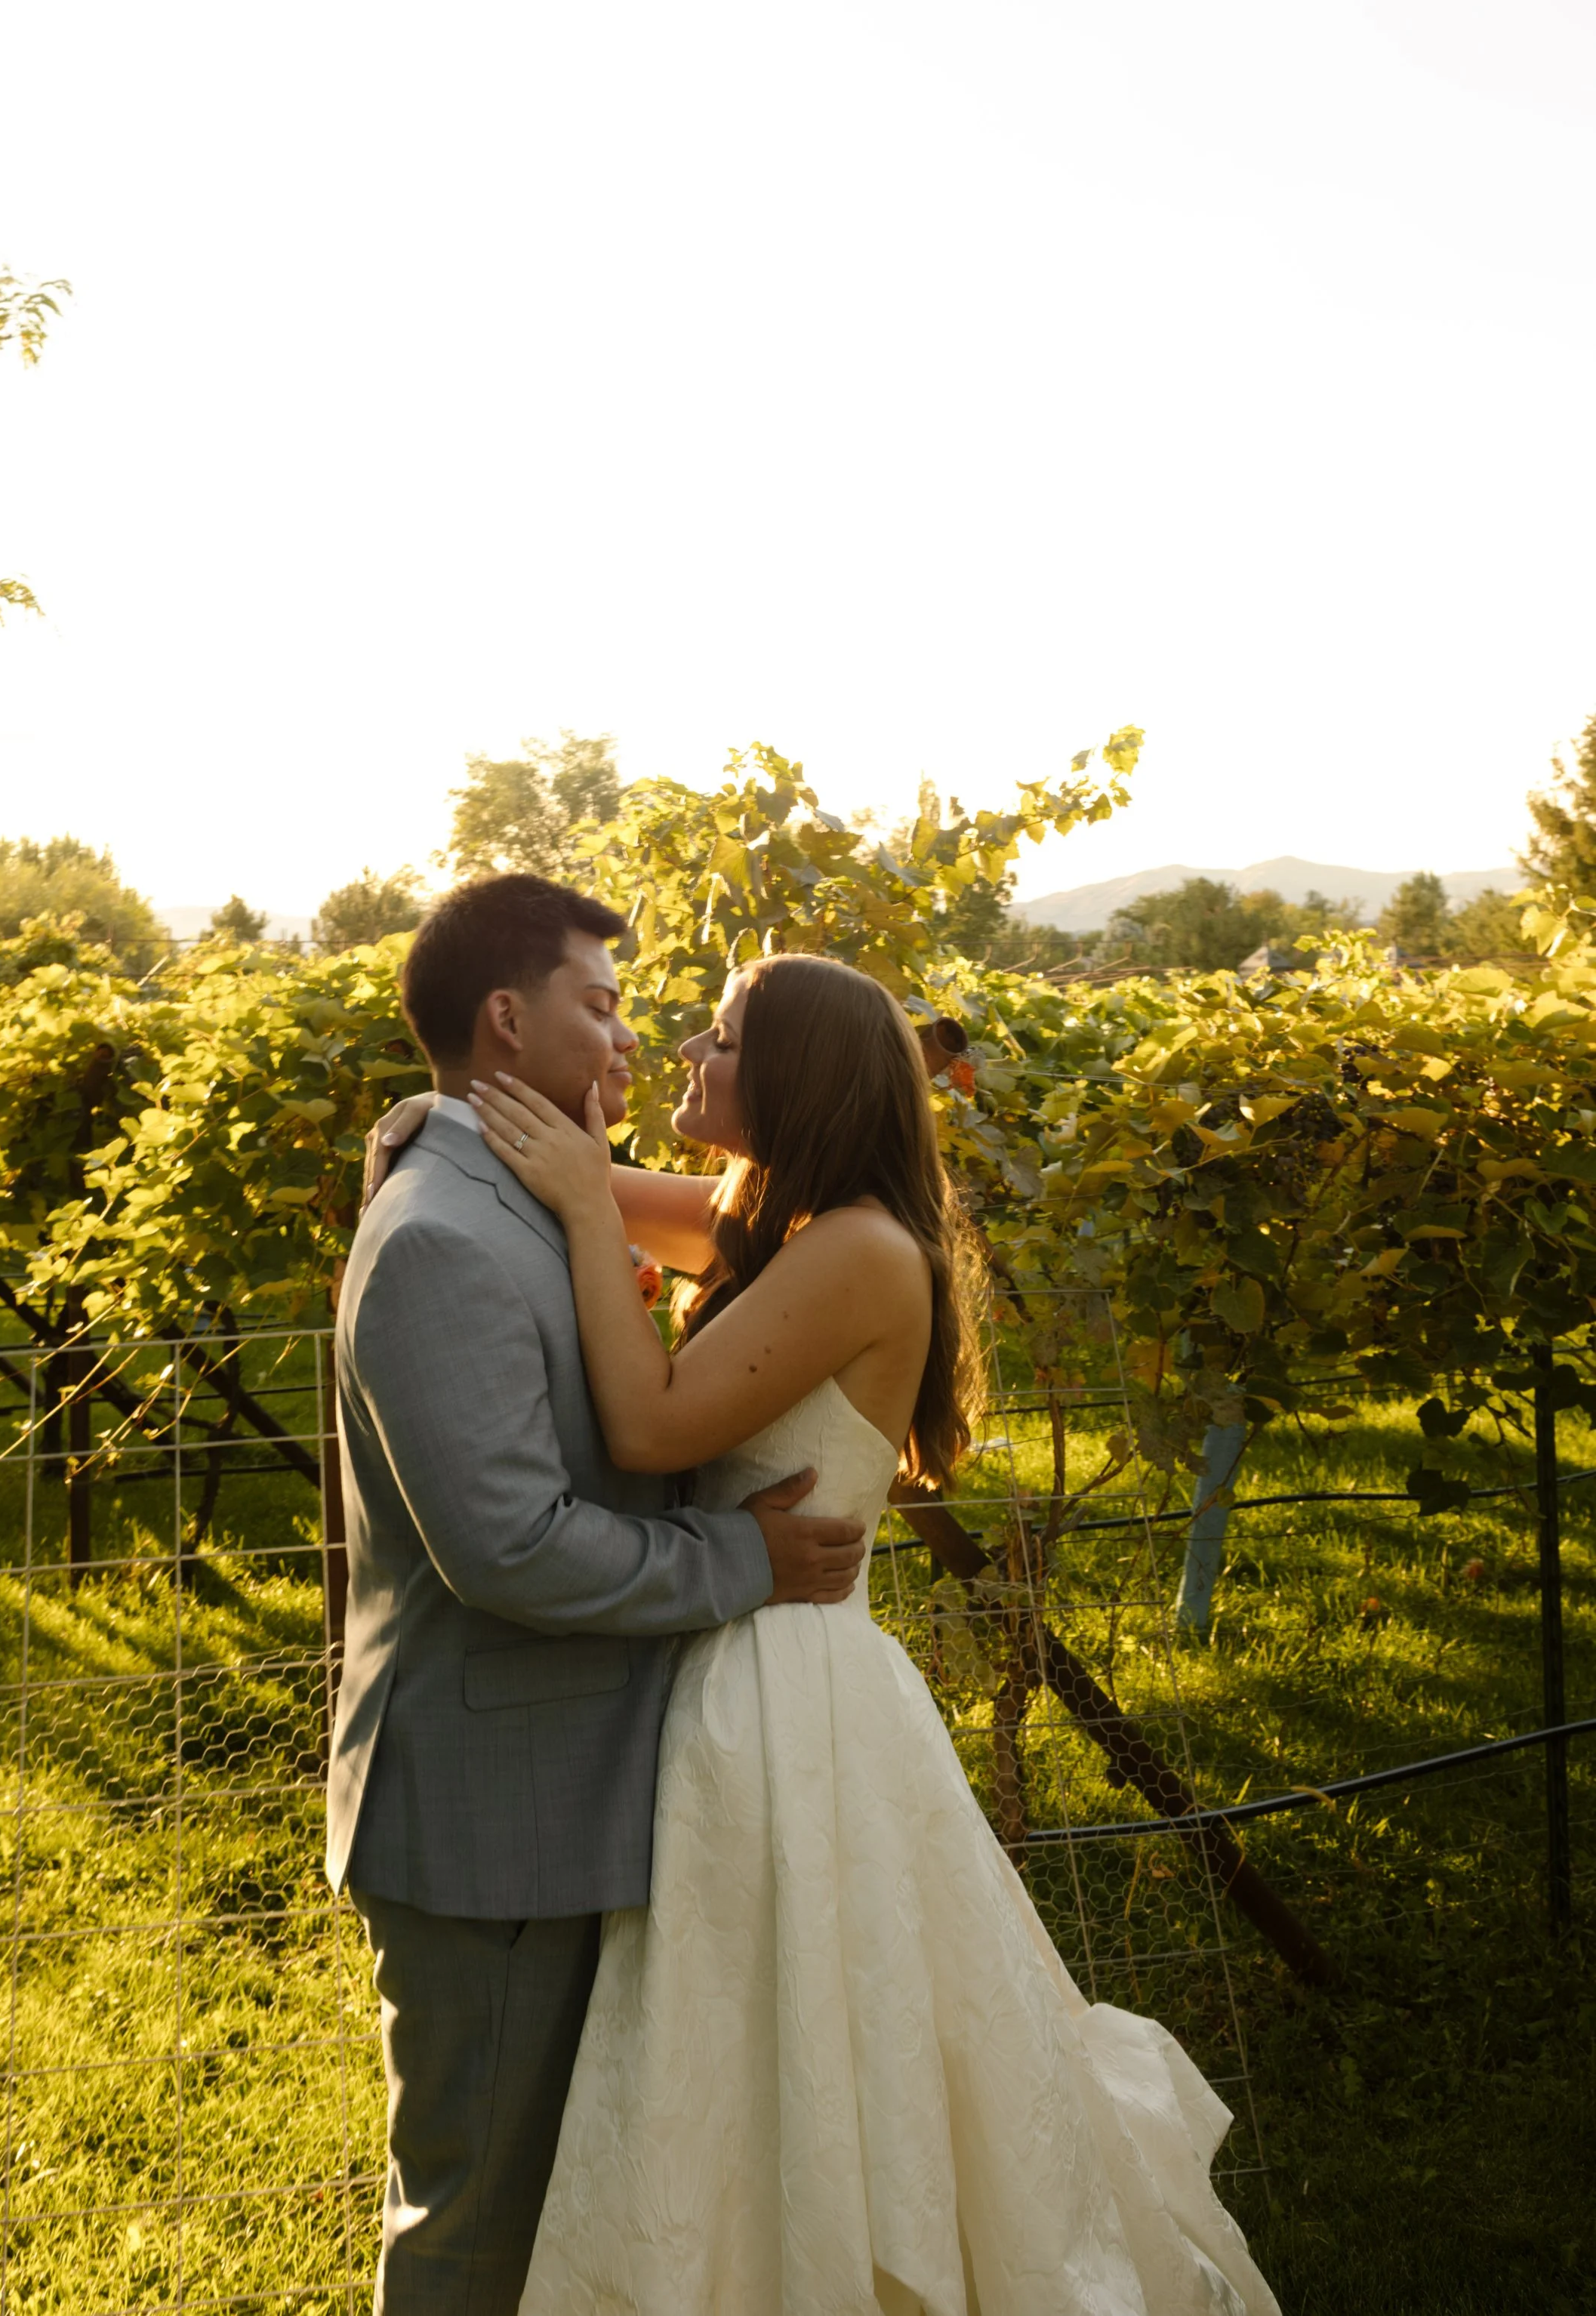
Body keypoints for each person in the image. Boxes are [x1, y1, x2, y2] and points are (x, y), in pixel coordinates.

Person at [448, 951, 1282, 2316]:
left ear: (796, 1080)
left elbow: (652, 1420)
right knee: (769, 2030)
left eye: (720, 1041)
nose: (689, 1060)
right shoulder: (778, 1220)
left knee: (803, 2018)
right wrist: (443, 1119)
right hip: (756, 1655)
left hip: (786, 1688)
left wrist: (588, 1219)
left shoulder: (857, 1249)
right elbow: (597, 1184)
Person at [328, 875, 870, 2316]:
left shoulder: (528, 1196)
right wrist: (742, 1561)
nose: (633, 1039)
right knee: (477, 2222)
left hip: (591, 1780)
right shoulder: (446, 1236)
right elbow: (510, 1545)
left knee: (586, 2201)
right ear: (508, 1020)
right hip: (494, 1815)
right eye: (604, 1003)